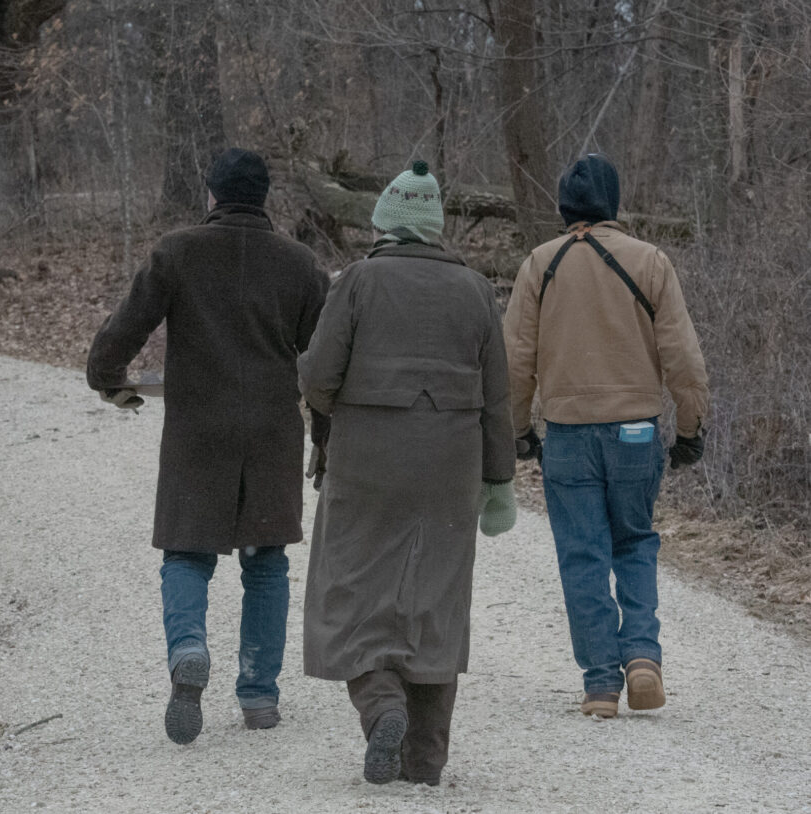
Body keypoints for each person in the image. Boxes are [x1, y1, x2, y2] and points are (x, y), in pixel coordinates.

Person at [86, 148, 330, 745]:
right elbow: (324, 365)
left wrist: (108, 378)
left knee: (186, 552)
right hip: (272, 430)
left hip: (198, 428)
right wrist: (326, 439)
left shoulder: (178, 251)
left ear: (212, 192)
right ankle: (259, 694)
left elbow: (124, 330)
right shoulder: (300, 264)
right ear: (265, 195)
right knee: (267, 561)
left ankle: (189, 649)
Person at [298, 160, 516, 785]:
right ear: (436, 228)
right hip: (452, 465)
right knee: (436, 603)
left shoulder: (358, 281)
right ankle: (425, 762)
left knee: (351, 592)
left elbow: (318, 377)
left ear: (387, 224)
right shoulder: (477, 289)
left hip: (368, 459)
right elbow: (498, 398)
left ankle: (382, 707)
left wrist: (331, 401)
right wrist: (499, 481)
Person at [502, 153, 709, 719]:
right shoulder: (651, 262)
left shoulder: (539, 265)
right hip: (637, 430)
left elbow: (516, 364)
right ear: (613, 203)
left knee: (582, 553)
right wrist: (690, 429)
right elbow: (684, 360)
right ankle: (642, 655)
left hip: (567, 433)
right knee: (635, 541)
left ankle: (599, 683)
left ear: (564, 207)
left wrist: (519, 430)